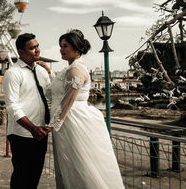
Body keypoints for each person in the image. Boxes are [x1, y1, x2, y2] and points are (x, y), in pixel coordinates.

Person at [38, 29, 124, 189]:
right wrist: (49, 73)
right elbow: (58, 91)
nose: (61, 49)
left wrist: (52, 125)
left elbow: (68, 101)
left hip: (72, 120)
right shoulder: (70, 68)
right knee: (70, 164)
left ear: (76, 48)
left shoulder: (75, 69)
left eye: (65, 46)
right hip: (67, 119)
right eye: (60, 46)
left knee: (77, 164)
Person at [3, 33, 52, 189]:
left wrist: (50, 71)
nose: (37, 50)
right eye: (32, 48)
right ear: (20, 52)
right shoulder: (13, 73)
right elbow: (12, 106)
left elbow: (51, 95)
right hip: (22, 134)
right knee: (22, 176)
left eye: (37, 46)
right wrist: (32, 129)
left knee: (35, 175)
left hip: (41, 132)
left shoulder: (42, 71)